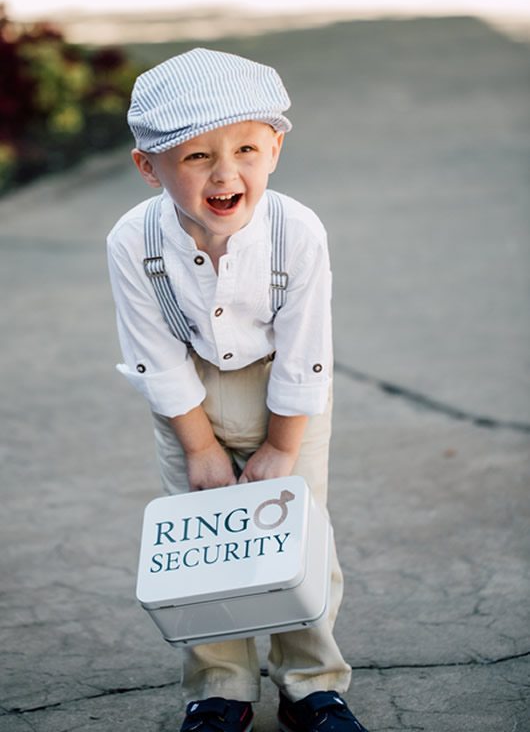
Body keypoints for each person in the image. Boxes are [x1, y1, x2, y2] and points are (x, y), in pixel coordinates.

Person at [107, 48, 369, 732]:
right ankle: (219, 683)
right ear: (148, 166)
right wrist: (198, 446)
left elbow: (309, 352)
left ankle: (312, 683)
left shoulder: (297, 233)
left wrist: (284, 447)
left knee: (296, 536)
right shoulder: (132, 242)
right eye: (196, 157)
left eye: (247, 148)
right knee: (206, 541)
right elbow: (154, 355)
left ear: (275, 147)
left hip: (284, 390)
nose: (226, 173)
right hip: (186, 394)